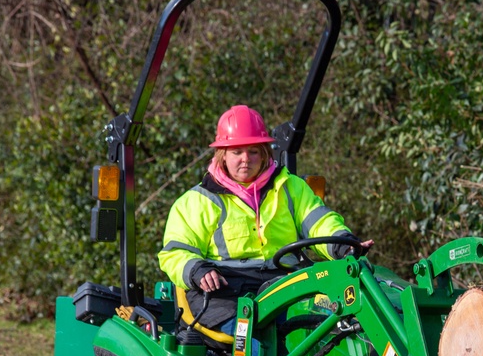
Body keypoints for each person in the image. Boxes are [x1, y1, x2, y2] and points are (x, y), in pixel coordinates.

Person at [158, 105, 371, 339]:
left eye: (253, 152)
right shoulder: (196, 201)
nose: (245, 160)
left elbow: (319, 221)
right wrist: (197, 270)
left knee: (336, 319)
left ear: (264, 153)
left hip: (285, 283)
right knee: (256, 338)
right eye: (236, 152)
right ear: (223, 155)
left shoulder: (291, 187)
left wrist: (343, 244)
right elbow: (175, 254)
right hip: (225, 292)